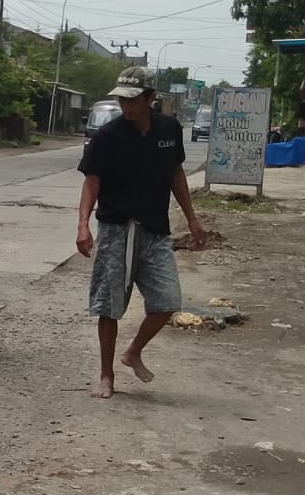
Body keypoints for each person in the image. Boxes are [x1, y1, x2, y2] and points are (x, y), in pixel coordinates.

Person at [76, 67, 207, 399]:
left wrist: (191, 218)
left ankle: (133, 351)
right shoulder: (108, 136)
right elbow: (92, 182)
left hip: (155, 230)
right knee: (109, 305)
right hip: (116, 229)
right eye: (121, 98)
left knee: (167, 301)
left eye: (133, 99)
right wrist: (82, 226)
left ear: (151, 99)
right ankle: (106, 375)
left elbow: (176, 173)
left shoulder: (169, 130)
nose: (125, 105)